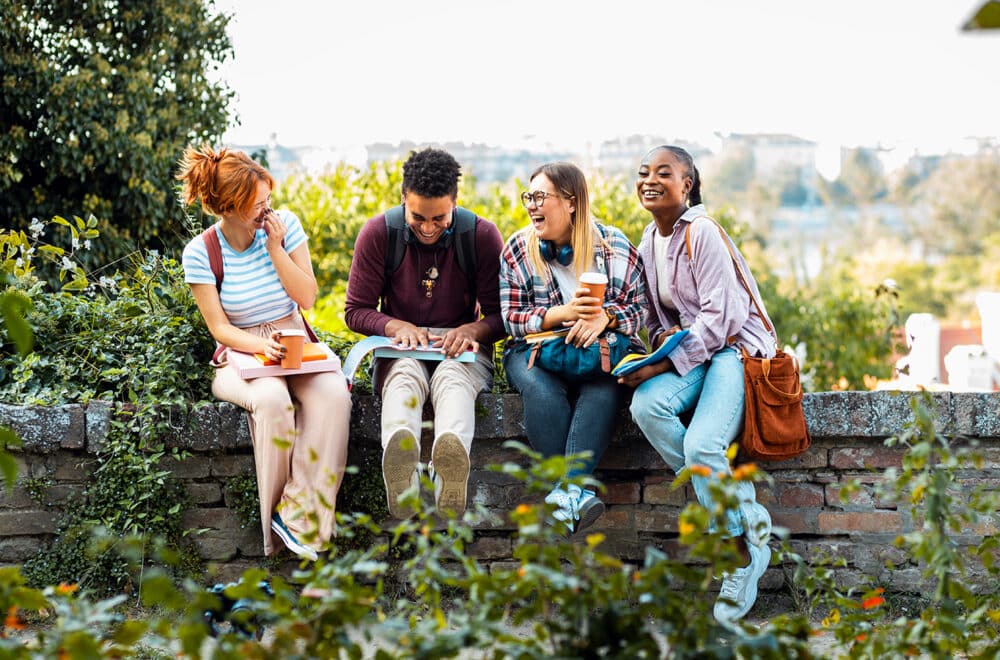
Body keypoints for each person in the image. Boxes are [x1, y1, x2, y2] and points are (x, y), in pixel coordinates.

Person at [620, 145, 775, 625]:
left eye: (663, 173)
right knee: (646, 407)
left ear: (687, 184)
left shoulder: (702, 232)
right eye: (643, 172)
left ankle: (740, 558)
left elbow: (722, 319)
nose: (650, 179)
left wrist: (665, 366)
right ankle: (740, 509)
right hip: (695, 353)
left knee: (704, 445)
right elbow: (655, 317)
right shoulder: (648, 240)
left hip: (731, 349)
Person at [178, 146, 351, 561]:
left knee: (334, 396)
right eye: (257, 205)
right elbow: (219, 328)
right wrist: (261, 346)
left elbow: (307, 296)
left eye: (268, 200)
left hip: (294, 340)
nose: (267, 210)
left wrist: (275, 248)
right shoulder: (202, 252)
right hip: (240, 351)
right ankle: (274, 537)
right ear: (229, 207)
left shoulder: (284, 226)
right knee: (272, 402)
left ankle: (297, 516)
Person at [344, 147, 505, 518]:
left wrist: (473, 329)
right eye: (418, 217)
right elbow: (355, 311)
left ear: (455, 203)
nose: (429, 228)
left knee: (453, 380)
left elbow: (502, 316)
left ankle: (450, 461)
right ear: (403, 199)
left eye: (440, 218)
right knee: (403, 377)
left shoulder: (480, 236)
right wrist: (392, 324)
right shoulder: (378, 234)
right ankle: (402, 471)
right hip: (402, 347)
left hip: (460, 351)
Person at [499, 162, 644, 533]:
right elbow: (511, 319)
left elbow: (640, 310)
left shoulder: (614, 247)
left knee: (605, 388)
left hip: (598, 353)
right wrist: (558, 314)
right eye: (528, 197)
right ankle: (574, 493)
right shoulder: (518, 248)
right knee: (541, 392)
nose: (531, 205)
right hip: (535, 350)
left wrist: (606, 318)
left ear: (572, 202)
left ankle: (565, 495)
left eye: (540, 197)